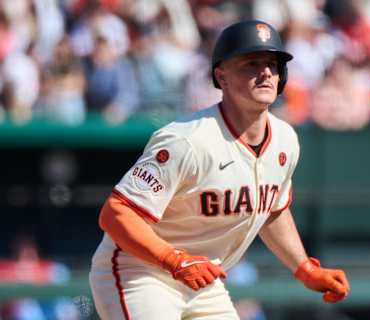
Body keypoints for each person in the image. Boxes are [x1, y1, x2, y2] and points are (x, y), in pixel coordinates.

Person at [89, 20, 350, 320]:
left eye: (272, 64)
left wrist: (303, 268)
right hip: (140, 272)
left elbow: (273, 210)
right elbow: (116, 212)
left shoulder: (285, 140)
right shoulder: (187, 140)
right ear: (221, 77)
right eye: (251, 63)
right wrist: (174, 260)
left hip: (205, 280)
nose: (265, 72)